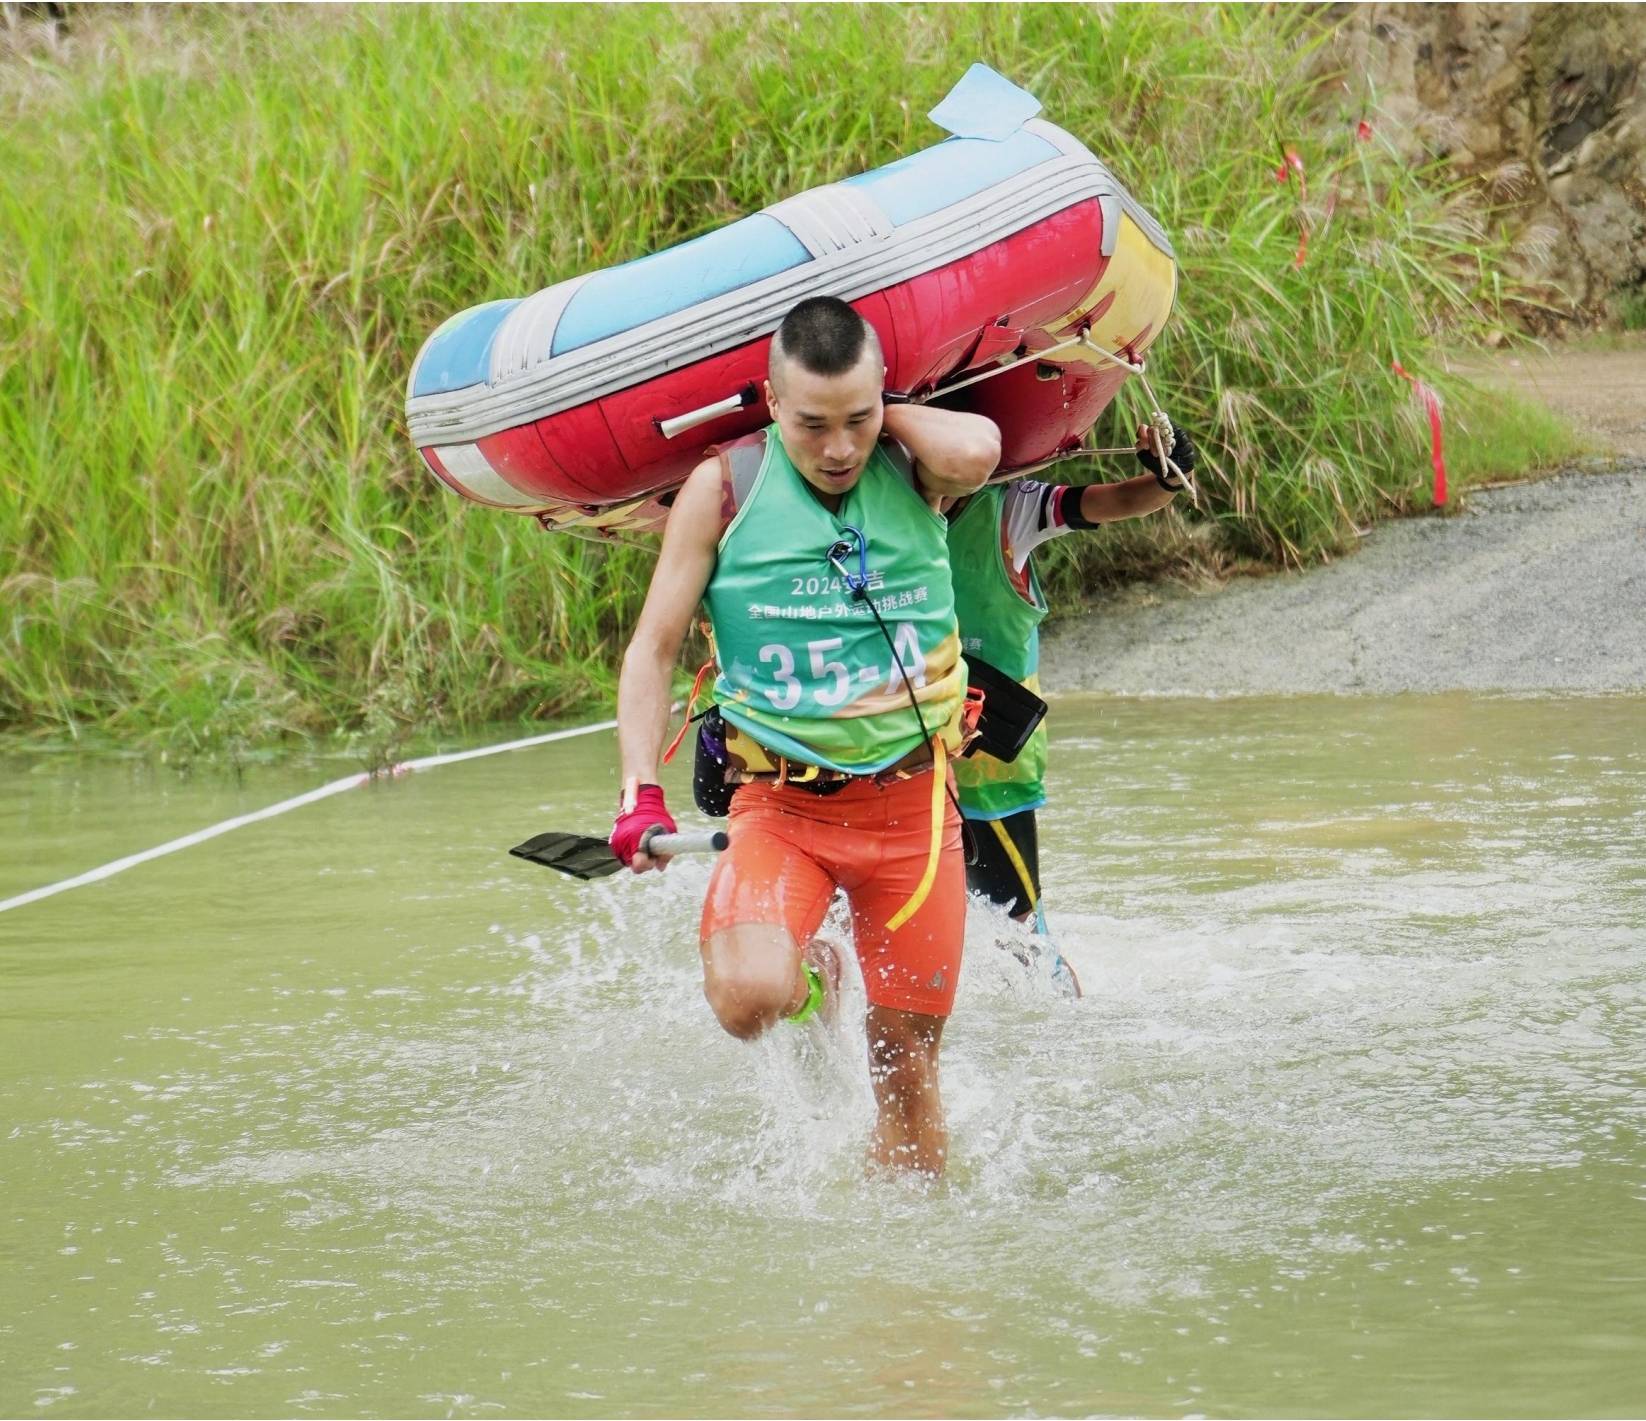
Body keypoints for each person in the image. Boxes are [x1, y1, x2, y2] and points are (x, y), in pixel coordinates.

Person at [610, 296, 999, 1177]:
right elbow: (653, 648)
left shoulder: (915, 467)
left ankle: (910, 1291)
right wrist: (639, 790)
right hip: (781, 808)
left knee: (905, 1075)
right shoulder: (724, 490)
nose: (837, 449)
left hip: (911, 817)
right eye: (812, 423)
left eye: (857, 419)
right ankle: (815, 975)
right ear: (771, 401)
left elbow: (978, 450)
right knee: (749, 998)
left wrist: (880, 416)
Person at [946, 421, 1198, 996]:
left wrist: (1166, 472)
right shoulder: (878, 512)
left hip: (989, 768)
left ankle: (1067, 1022)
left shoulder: (1010, 511)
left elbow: (1122, 501)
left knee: (1017, 929)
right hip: (900, 755)